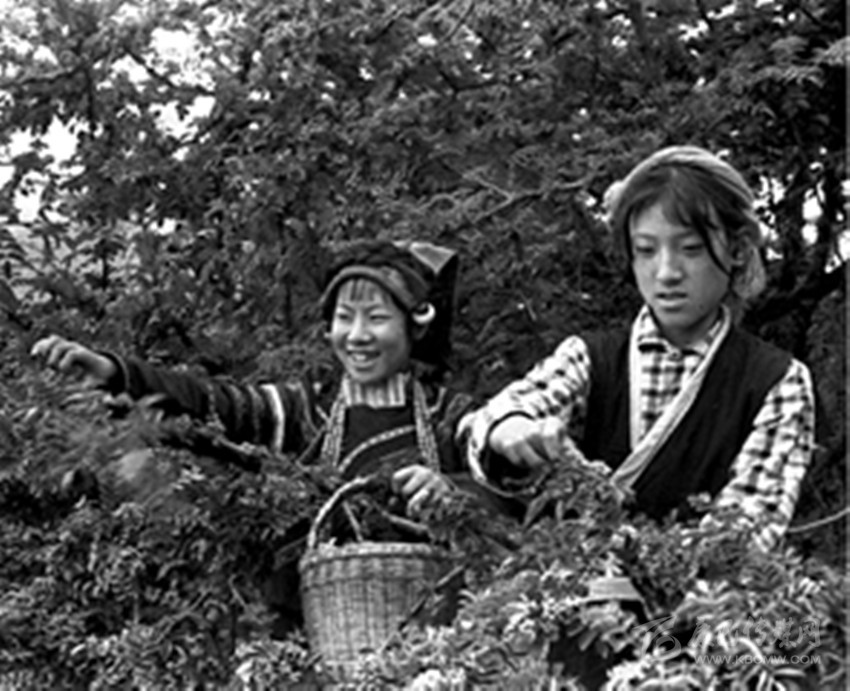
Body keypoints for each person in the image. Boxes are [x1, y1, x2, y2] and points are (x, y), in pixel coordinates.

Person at [31, 238, 481, 633]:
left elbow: (503, 490)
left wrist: (452, 495)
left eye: (377, 318)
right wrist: (116, 373)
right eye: (345, 318)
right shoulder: (304, 412)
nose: (358, 336)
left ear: (416, 325)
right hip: (310, 641)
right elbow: (211, 403)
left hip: (438, 648)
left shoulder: (453, 420)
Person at [458, 145, 816, 552]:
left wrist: (650, 567)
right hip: (573, 585)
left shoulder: (778, 382)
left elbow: (747, 529)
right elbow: (501, 413)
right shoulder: (588, 358)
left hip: (703, 594)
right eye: (646, 250)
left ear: (736, 250)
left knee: (775, 601)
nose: (666, 272)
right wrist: (510, 428)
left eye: (691, 248)